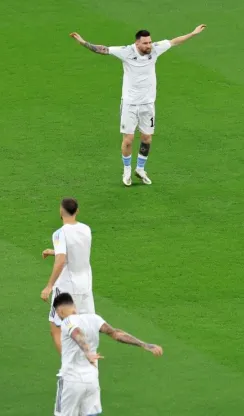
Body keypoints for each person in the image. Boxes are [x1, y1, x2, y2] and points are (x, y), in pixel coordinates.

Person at [69, 25, 207, 186]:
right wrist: (83, 42)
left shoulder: (155, 50)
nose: (149, 46)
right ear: (137, 44)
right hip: (130, 104)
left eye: (150, 42)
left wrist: (193, 33)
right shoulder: (126, 51)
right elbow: (103, 50)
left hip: (148, 104)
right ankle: (127, 171)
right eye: (145, 43)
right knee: (128, 139)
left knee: (147, 138)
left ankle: (140, 169)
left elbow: (174, 42)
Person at [52, 293, 163, 415]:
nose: (58, 317)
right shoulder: (94, 318)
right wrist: (144, 345)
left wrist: (88, 352)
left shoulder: (67, 321)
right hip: (91, 380)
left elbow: (76, 333)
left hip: (71, 380)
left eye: (57, 314)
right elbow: (116, 333)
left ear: (61, 311)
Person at [41, 198, 95, 354]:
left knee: (56, 328)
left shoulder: (59, 234)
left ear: (61, 211)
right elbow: (78, 250)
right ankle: (88, 360)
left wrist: (49, 285)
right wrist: (54, 251)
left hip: (66, 287)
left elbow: (62, 259)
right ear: (77, 211)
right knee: (85, 326)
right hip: (85, 286)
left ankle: (69, 365)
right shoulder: (86, 229)